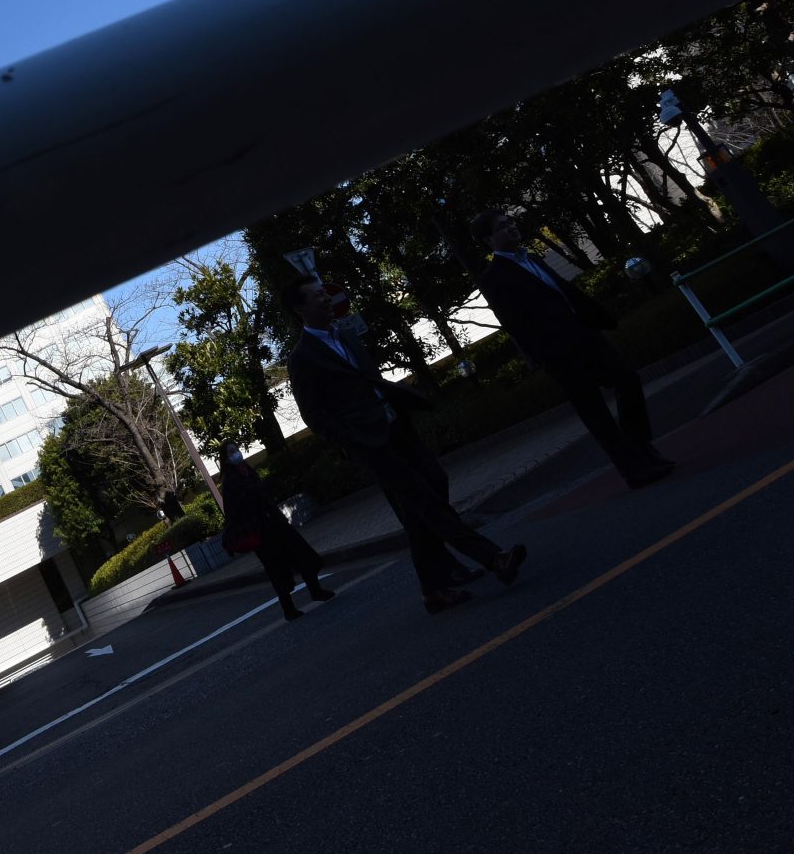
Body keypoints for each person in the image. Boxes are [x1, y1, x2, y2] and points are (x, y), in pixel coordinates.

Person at [283, 273, 526, 614]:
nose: (326, 299)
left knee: (430, 492)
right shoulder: (302, 357)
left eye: (325, 293)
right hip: (371, 443)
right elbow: (314, 414)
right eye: (317, 296)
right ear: (300, 310)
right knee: (426, 503)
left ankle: (433, 589)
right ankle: (494, 558)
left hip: (397, 426)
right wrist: (353, 442)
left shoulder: (345, 335)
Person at [471, 209, 675, 488]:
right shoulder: (494, 276)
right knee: (595, 413)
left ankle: (640, 446)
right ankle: (634, 469)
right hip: (559, 353)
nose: (512, 227)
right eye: (503, 226)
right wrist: (543, 356)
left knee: (628, 379)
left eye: (511, 222)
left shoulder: (531, 258)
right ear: (489, 239)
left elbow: (563, 291)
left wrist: (595, 317)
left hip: (585, 336)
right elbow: (514, 322)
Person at [219, 449, 332, 621]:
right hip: (259, 529)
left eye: (236, 449)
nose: (237, 454)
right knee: (276, 569)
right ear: (225, 459)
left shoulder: (247, 469)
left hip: (275, 521)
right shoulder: (230, 482)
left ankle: (315, 590)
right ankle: (289, 608)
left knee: (301, 553)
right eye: (232, 452)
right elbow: (234, 510)